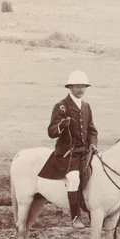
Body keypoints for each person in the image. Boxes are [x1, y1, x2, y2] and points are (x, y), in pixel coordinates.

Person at [39, 70, 98, 228]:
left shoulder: (86, 106)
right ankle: (76, 216)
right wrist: (61, 125)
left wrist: (93, 143)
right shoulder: (61, 106)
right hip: (67, 153)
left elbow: (92, 130)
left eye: (84, 86)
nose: (81, 90)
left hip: (85, 152)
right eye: (78, 86)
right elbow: (51, 132)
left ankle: (95, 211)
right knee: (73, 179)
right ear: (70, 87)